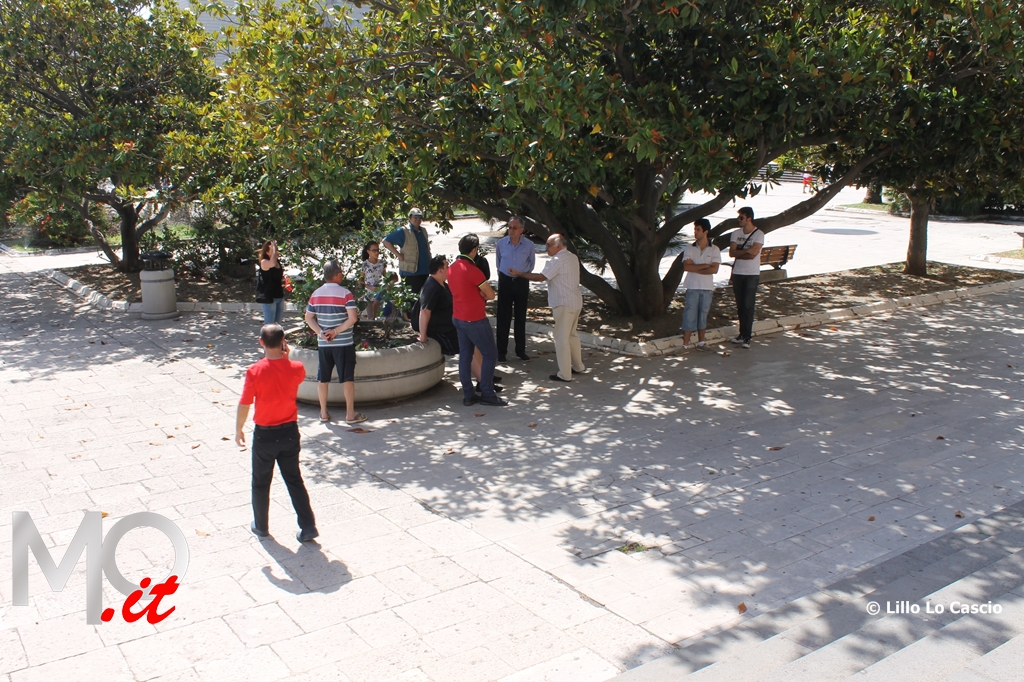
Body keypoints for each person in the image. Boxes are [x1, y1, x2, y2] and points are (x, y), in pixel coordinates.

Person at [235, 323, 318, 543]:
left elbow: (244, 403)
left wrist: (238, 429)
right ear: (283, 342)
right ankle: (308, 525)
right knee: (294, 479)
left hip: (265, 435)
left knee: (261, 482)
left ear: (261, 342)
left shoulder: (254, 371)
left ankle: (261, 525)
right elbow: (294, 375)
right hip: (290, 431)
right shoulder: (297, 368)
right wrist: (286, 358)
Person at [417, 255, 502, 394]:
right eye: (447, 266)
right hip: (442, 331)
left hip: (452, 324)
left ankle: (486, 376)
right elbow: (424, 312)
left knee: (476, 344)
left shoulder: (442, 284)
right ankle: (483, 382)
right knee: (469, 349)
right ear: (440, 270)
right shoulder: (431, 287)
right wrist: (423, 336)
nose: (449, 268)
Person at [510, 234, 586, 382]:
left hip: (563, 303)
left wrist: (519, 273)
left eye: (549, 245)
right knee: (571, 335)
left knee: (561, 338)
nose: (546, 248)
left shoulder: (557, 260)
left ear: (558, 246)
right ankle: (578, 366)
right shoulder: (572, 257)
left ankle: (565, 374)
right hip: (575, 301)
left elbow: (541, 277)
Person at [303, 260, 366, 423]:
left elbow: (309, 317)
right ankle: (350, 414)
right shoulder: (346, 294)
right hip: (344, 343)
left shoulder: (316, 294)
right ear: (337, 275)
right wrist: (336, 331)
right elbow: (353, 318)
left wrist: (321, 333)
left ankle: (323, 412)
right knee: (347, 378)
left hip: (324, 344)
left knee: (323, 377)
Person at [448, 234, 506, 407]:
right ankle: (487, 393)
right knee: (490, 354)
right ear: (474, 250)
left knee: (465, 356)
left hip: (458, 317)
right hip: (474, 319)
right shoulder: (472, 270)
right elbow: (491, 294)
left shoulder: (452, 268)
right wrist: (482, 294)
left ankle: (468, 394)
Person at [495, 215, 535, 362]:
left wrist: (521, 274)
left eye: (515, 228)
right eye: (510, 227)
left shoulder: (529, 245)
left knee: (520, 316)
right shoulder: (501, 243)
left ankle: (520, 351)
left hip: (521, 281)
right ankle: (501, 352)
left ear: (522, 230)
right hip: (505, 281)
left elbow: (531, 264)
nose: (511, 230)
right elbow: (498, 262)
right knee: (503, 317)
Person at [680, 219, 721, 351]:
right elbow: (687, 267)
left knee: (703, 314)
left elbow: (714, 269)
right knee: (689, 314)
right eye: (695, 229)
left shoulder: (714, 249)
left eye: (698, 229)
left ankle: (701, 342)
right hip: (692, 286)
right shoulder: (689, 248)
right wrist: (705, 265)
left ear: (705, 232)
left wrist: (695, 267)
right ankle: (685, 344)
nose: (695, 232)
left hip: (707, 287)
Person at [729, 207, 764, 349]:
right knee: (740, 305)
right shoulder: (735, 233)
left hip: (751, 274)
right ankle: (741, 334)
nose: (739, 220)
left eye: (741, 217)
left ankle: (747, 336)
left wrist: (740, 252)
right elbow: (732, 253)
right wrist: (746, 251)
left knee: (748, 305)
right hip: (738, 273)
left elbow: (753, 254)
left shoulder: (759, 234)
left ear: (749, 219)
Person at [382, 207, 431, 294]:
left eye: (420, 217)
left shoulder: (423, 231)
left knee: (424, 298)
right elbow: (386, 241)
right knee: (412, 300)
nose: (418, 219)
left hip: (425, 271)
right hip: (410, 272)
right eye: (415, 217)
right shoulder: (403, 231)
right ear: (410, 218)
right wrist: (398, 255)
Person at [257, 240, 285, 324]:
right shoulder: (264, 262)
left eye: (276, 249)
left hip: (279, 296)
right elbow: (272, 264)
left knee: (277, 325)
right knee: (269, 325)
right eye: (273, 250)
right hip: (269, 298)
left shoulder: (277, 262)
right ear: (267, 252)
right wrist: (274, 251)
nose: (276, 252)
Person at [360, 241, 386, 320]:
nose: (377, 252)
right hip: (369, 296)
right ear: (368, 251)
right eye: (374, 250)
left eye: (378, 250)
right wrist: (370, 287)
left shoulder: (382, 263)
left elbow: (386, 277)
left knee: (381, 318)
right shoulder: (365, 264)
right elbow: (360, 281)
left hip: (380, 294)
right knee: (371, 319)